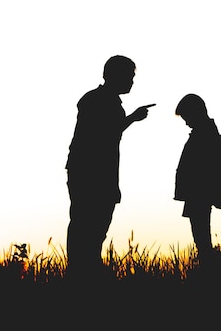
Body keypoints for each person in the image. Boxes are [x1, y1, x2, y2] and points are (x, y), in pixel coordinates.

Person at [65, 55, 154, 283]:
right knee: (87, 225)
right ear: (115, 76)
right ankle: (81, 273)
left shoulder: (104, 101)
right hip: (90, 175)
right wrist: (132, 118)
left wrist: (131, 118)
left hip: (97, 174)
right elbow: (101, 135)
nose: (132, 82)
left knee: (94, 226)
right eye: (129, 77)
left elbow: (107, 132)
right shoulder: (95, 101)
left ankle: (87, 270)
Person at [174, 93, 221, 268]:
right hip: (199, 194)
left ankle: (209, 270)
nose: (186, 122)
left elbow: (200, 169)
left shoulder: (204, 135)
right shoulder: (207, 133)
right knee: (201, 237)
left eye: (187, 117)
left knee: (202, 238)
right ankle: (208, 267)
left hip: (199, 194)